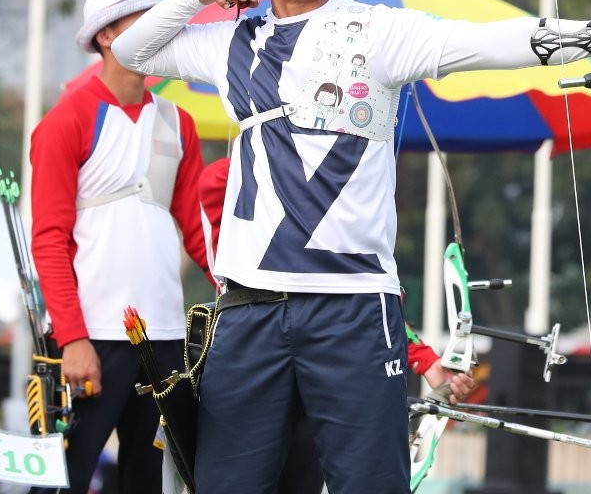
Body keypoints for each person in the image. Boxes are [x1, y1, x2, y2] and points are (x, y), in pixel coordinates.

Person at [113, 0, 591, 494]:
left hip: (354, 308)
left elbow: (494, 43)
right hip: (249, 311)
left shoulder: (378, 31)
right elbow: (135, 51)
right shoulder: (228, 42)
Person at [30, 0, 214, 494]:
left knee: (144, 478)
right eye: (142, 25)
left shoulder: (178, 122)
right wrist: (71, 340)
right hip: (91, 335)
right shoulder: (67, 118)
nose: (158, 36)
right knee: (62, 480)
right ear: (108, 37)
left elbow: (200, 230)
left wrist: (238, 292)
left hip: (164, 335)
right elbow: (48, 238)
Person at [195, 158, 476, 493]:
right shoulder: (228, 175)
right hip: (257, 329)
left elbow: (359, 292)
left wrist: (426, 360)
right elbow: (217, 253)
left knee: (303, 479)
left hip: (324, 343)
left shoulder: (339, 180)